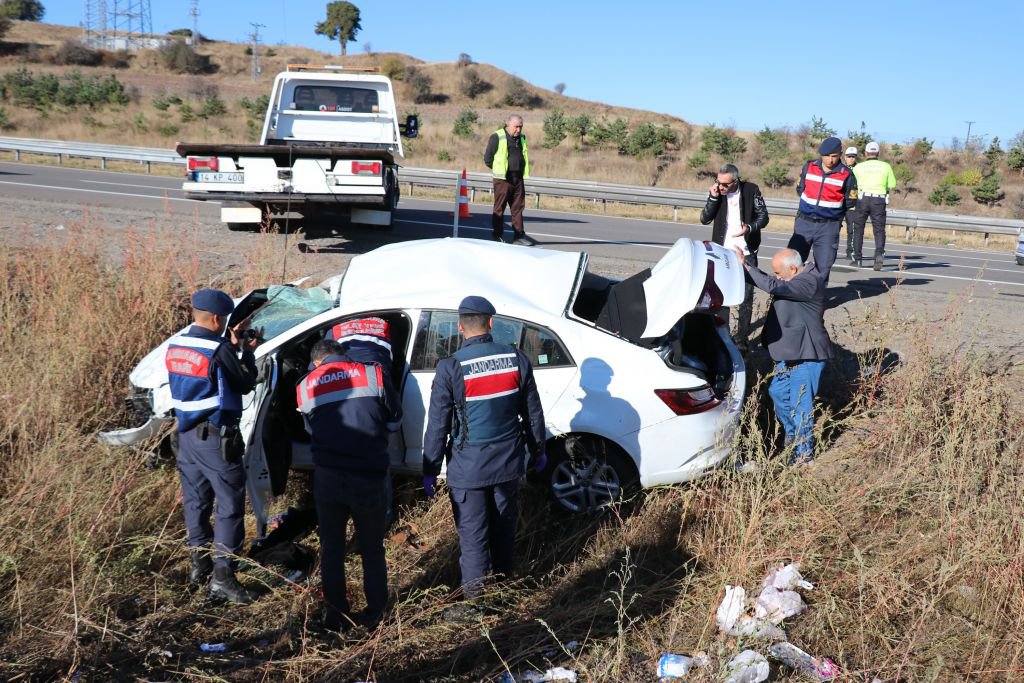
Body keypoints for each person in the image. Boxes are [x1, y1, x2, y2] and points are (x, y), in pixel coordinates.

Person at [422, 295, 546, 620]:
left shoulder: (451, 368)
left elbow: (437, 426)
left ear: (461, 327)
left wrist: (430, 468)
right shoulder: (516, 359)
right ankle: (504, 590)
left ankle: (478, 605)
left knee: (475, 537)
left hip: (468, 469)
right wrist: (538, 450)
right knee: (504, 528)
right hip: (508, 464)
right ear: (491, 323)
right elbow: (533, 413)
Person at [296, 338, 402, 632]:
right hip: (368, 474)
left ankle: (336, 616)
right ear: (344, 354)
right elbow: (395, 420)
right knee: (371, 548)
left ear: (317, 363)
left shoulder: (305, 386)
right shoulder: (373, 373)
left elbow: (310, 429)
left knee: (331, 548)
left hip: (328, 477)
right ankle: (377, 614)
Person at [166, 288, 260, 604]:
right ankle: (223, 578)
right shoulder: (218, 350)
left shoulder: (177, 345)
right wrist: (246, 350)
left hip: (185, 437)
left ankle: (199, 565)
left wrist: (229, 346)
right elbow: (245, 383)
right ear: (218, 318)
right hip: (215, 441)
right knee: (230, 505)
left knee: (196, 503)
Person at [735, 248, 834, 464]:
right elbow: (775, 281)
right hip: (791, 352)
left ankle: (803, 455)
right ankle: (792, 435)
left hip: (806, 355)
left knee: (801, 407)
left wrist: (746, 266)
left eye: (779, 273)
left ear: (792, 268)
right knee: (778, 393)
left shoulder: (809, 281)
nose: (777, 276)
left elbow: (774, 285)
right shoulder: (795, 277)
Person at [699, 163, 769, 348]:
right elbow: (705, 219)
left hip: (746, 252)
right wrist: (713, 198)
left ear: (736, 181)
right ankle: (723, 335)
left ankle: (742, 338)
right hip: (722, 251)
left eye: (725, 184)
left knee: (745, 296)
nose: (721, 187)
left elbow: (764, 217)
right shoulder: (717, 193)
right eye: (718, 182)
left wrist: (749, 228)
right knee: (721, 296)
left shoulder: (751, 190)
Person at [790, 136, 858, 281]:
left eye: (834, 156)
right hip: (804, 223)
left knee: (824, 266)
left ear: (840, 154)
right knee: (792, 262)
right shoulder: (809, 167)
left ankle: (817, 300)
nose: (830, 160)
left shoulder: (847, 175)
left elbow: (850, 202)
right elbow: (800, 189)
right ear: (821, 154)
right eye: (826, 156)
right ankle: (790, 297)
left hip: (829, 226)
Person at [483, 115, 536, 246]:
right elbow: (488, 159)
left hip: (518, 179)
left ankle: (519, 237)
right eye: (516, 127)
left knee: (518, 208)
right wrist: (499, 170)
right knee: (499, 208)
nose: (518, 130)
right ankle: (497, 236)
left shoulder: (522, 138)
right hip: (503, 179)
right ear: (508, 124)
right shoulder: (497, 136)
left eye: (521, 127)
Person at [850, 141, 898, 270]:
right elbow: (892, 184)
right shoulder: (886, 166)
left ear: (866, 153)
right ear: (878, 153)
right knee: (879, 229)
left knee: (858, 228)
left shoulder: (859, 167)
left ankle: (858, 259)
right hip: (879, 200)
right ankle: (878, 254)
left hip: (862, 199)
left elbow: (852, 183)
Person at [842, 147, 859, 262]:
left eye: (853, 157)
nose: (851, 159)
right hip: (838, 203)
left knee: (851, 230)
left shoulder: (860, 169)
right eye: (849, 156)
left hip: (852, 205)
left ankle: (850, 252)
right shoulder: (840, 168)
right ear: (845, 157)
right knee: (833, 229)